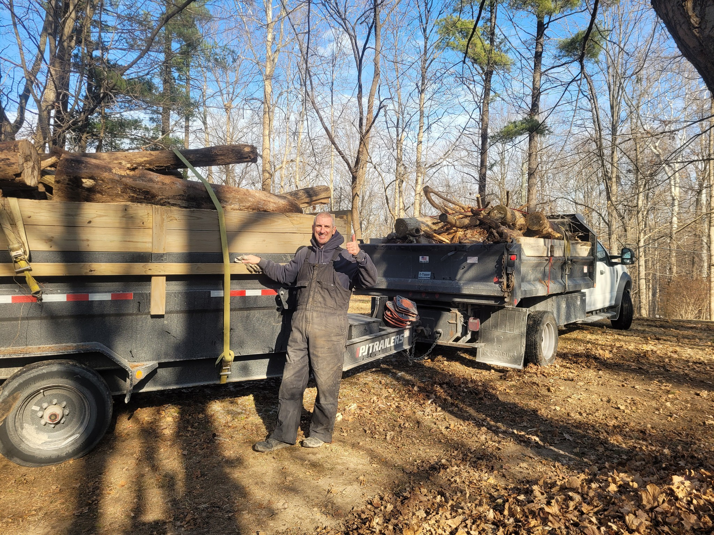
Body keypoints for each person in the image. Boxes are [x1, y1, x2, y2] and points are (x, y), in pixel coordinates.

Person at [241, 212, 377, 452]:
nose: (322, 230)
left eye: (326, 226)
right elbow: (284, 275)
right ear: (313, 228)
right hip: (300, 327)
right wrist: (260, 261)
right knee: (290, 383)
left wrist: (361, 256)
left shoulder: (346, 256)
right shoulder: (304, 254)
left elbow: (369, 282)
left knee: (326, 384)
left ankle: (321, 432)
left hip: (330, 329)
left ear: (334, 230)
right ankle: (283, 435)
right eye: (318, 226)